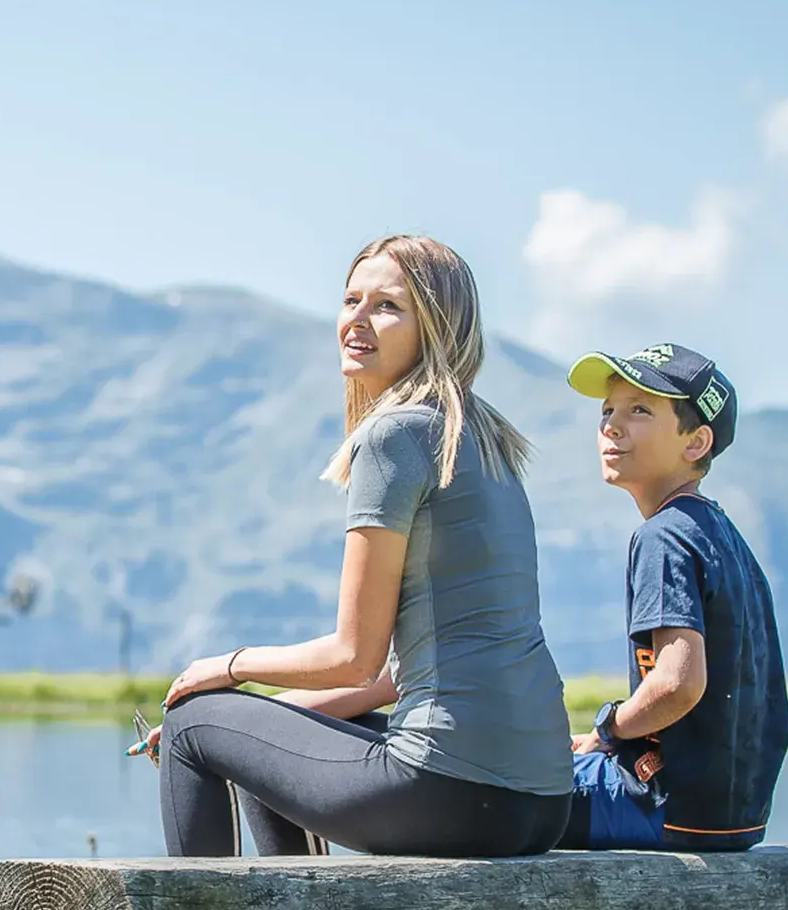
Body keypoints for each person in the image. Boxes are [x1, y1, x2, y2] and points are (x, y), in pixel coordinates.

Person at [128, 235, 572, 858]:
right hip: (542, 801)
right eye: (350, 300)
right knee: (278, 740)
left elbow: (354, 657)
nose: (357, 321)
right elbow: (401, 672)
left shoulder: (397, 435)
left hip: (449, 787)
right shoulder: (482, 434)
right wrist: (271, 713)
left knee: (190, 725)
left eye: (387, 306)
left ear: (436, 328)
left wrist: (222, 670)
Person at [561, 342, 788, 852]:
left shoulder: (664, 535)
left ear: (696, 442)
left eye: (639, 410)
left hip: (660, 809)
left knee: (479, 785)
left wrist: (606, 730)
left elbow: (679, 685)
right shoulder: (720, 533)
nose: (611, 426)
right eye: (607, 411)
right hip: (734, 821)